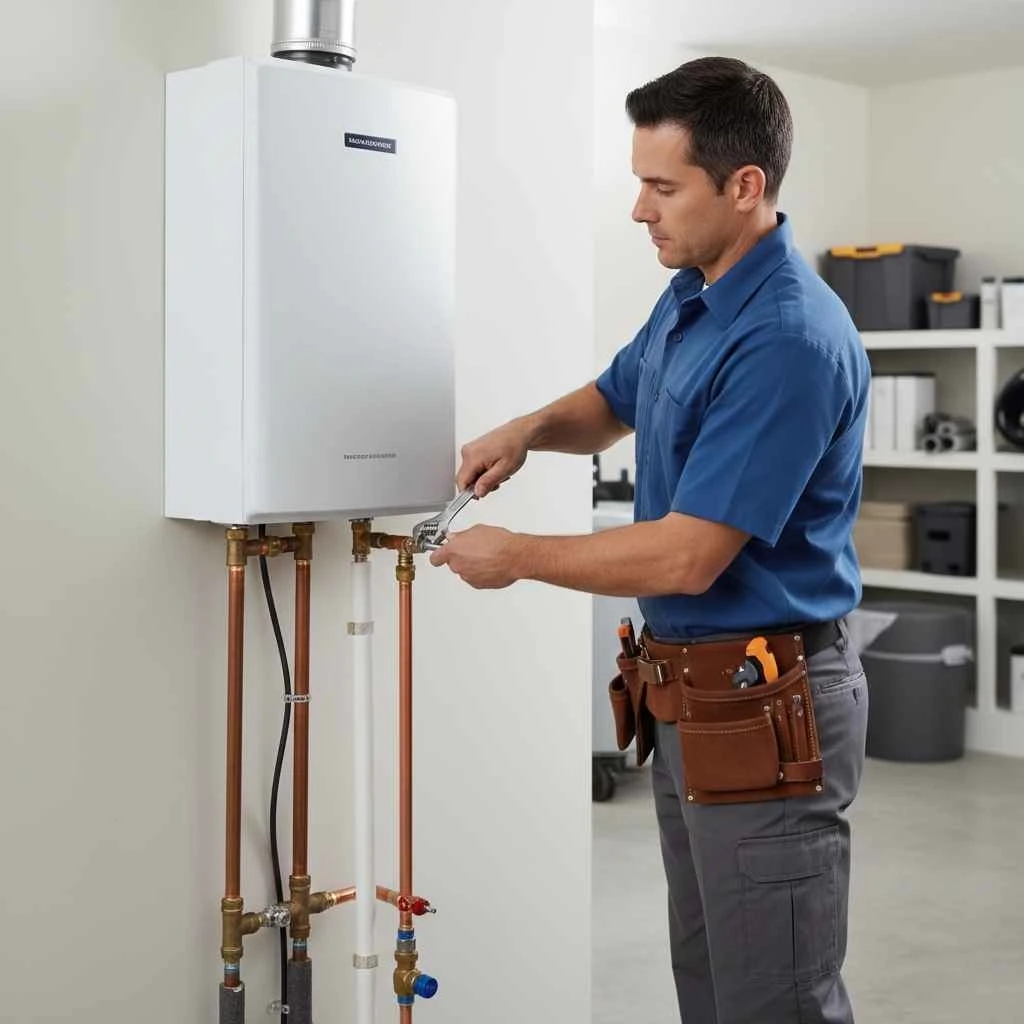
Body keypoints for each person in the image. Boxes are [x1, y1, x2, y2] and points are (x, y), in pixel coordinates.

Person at [429, 55, 870, 1024]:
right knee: (711, 980)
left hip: (765, 700)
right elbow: (611, 400)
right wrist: (525, 430)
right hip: (691, 697)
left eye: (661, 186)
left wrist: (520, 557)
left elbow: (686, 556)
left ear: (743, 186)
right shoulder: (695, 292)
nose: (639, 208)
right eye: (638, 181)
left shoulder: (787, 336)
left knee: (774, 1000)